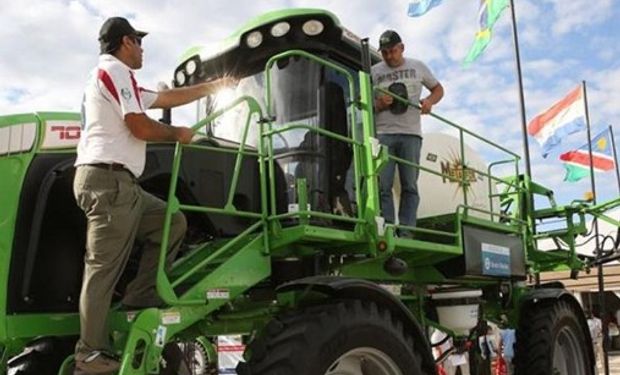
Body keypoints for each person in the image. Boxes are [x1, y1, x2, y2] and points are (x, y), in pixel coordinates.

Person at [73, 17, 233, 373]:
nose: (143, 49)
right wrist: (178, 133)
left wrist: (213, 87)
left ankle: (139, 297)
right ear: (126, 42)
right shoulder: (113, 70)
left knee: (171, 221)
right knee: (101, 269)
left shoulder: (120, 78)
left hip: (123, 185)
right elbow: (139, 125)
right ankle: (89, 354)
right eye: (139, 42)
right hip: (108, 181)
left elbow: (164, 97)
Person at [372, 29, 444, 237]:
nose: (388, 56)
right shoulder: (375, 71)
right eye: (384, 52)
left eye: (392, 51)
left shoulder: (418, 66)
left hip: (411, 134)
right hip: (383, 133)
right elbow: (363, 100)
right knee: (382, 184)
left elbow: (438, 89)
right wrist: (378, 104)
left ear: (401, 48)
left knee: (409, 185)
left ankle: (406, 232)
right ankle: (385, 228)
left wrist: (429, 102)